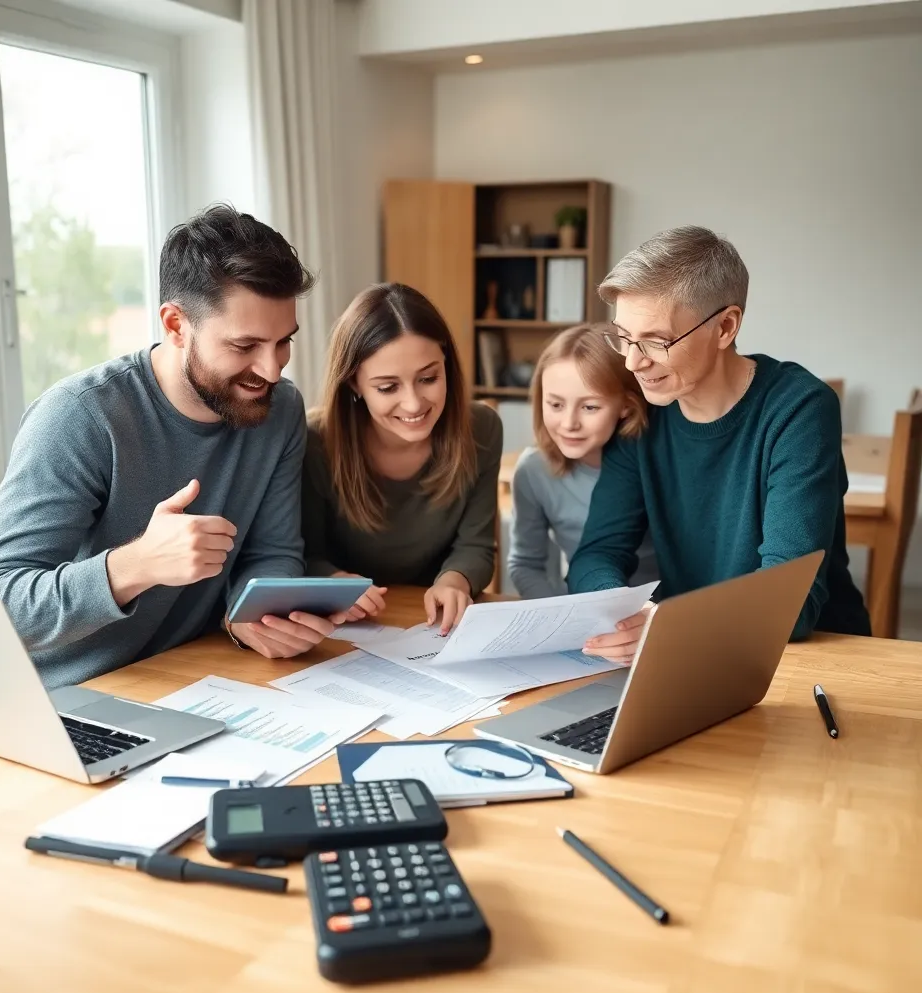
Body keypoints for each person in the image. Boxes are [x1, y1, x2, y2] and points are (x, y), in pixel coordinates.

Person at [0, 204, 340, 689]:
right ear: (175, 325)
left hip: (188, 676)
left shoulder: (280, 410)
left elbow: (272, 550)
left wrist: (249, 612)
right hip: (65, 698)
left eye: (283, 342)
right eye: (244, 346)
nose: (272, 370)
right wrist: (137, 564)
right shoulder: (81, 417)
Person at [568, 225, 870, 664]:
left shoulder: (799, 409)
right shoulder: (642, 410)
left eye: (656, 341)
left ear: (725, 326)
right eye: (623, 337)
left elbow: (790, 606)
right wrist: (617, 614)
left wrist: (669, 627)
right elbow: (595, 554)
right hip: (694, 652)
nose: (633, 361)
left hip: (817, 659)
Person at [302, 282, 503, 634]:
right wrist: (336, 582)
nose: (413, 404)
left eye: (428, 378)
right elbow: (302, 554)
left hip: (434, 624)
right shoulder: (313, 440)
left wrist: (455, 582)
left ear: (447, 366)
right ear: (353, 384)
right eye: (387, 387)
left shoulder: (482, 428)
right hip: (344, 627)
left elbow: (476, 545)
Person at [508, 324, 658, 599]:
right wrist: (560, 616)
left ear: (626, 405)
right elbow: (526, 564)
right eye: (555, 405)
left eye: (589, 407)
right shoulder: (533, 470)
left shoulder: (653, 460)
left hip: (663, 611)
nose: (569, 424)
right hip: (588, 606)